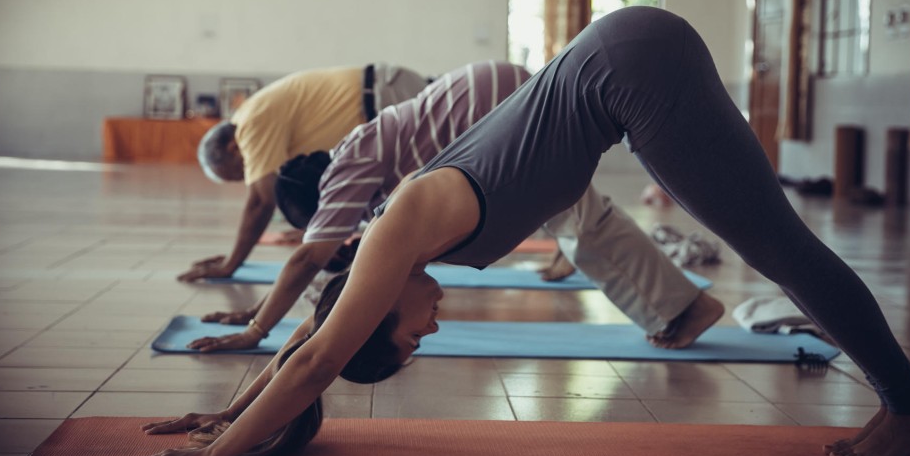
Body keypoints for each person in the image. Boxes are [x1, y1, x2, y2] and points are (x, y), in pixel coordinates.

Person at [113, 7, 910, 456]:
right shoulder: (400, 246)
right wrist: (227, 407)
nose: (431, 330)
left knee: (783, 250)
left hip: (630, 69)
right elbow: (320, 332)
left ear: (373, 313)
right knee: (780, 244)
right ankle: (907, 401)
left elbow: (318, 356)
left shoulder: (398, 230)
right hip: (625, 61)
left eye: (409, 336)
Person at [188, 60, 721, 353]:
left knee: (579, 217)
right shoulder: (365, 162)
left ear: (326, 200)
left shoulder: (347, 170)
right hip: (490, 95)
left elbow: (310, 259)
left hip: (490, 109)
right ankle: (678, 307)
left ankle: (684, 309)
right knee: (575, 213)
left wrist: (256, 330)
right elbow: (358, 269)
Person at [178, 64, 428, 282]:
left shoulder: (250, 123)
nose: (250, 176)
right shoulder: (257, 120)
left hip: (386, 93)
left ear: (233, 148)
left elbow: (261, 201)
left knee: (425, 192)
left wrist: (231, 263)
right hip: (381, 97)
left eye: (242, 172)